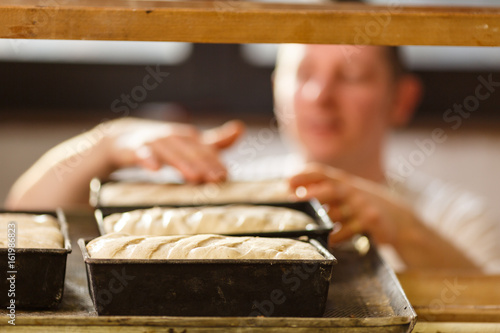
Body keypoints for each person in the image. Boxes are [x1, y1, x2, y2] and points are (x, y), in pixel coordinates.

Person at [5, 44, 500, 274]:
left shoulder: (459, 219)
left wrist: (406, 230)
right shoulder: (228, 194)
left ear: (401, 98)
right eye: (303, 72)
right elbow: (19, 221)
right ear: (276, 90)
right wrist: (107, 142)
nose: (319, 95)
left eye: (351, 76)